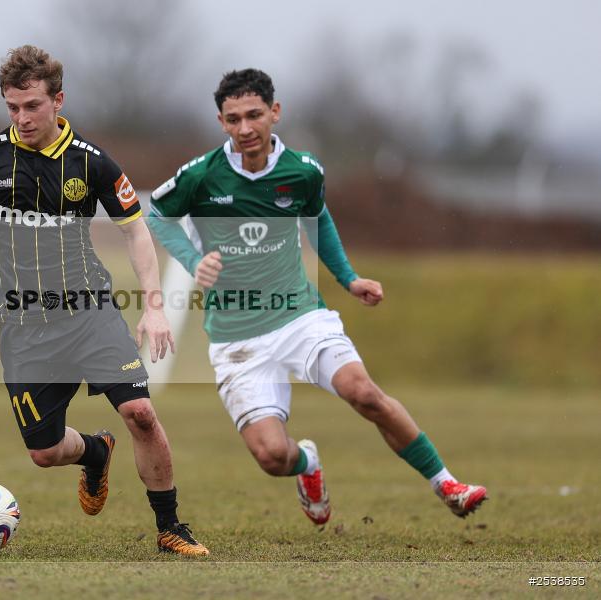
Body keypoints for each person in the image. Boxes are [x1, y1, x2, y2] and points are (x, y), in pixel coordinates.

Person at [147, 68, 486, 525]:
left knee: (363, 393)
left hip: (299, 316)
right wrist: (193, 261)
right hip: (236, 336)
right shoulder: (202, 175)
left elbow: (318, 220)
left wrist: (349, 279)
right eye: (233, 119)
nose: (245, 128)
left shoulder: (303, 172)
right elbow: (157, 216)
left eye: (254, 115)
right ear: (221, 122)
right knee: (272, 456)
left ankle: (446, 483)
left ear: (275, 112)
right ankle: (307, 462)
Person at [0, 45, 208, 556]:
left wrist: (154, 306)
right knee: (45, 451)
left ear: (58, 100)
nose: (22, 118)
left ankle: (170, 528)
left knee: (141, 412)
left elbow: (135, 230)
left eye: (32, 105)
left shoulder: (91, 163)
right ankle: (95, 453)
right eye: (12, 107)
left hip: (89, 311)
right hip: (23, 325)